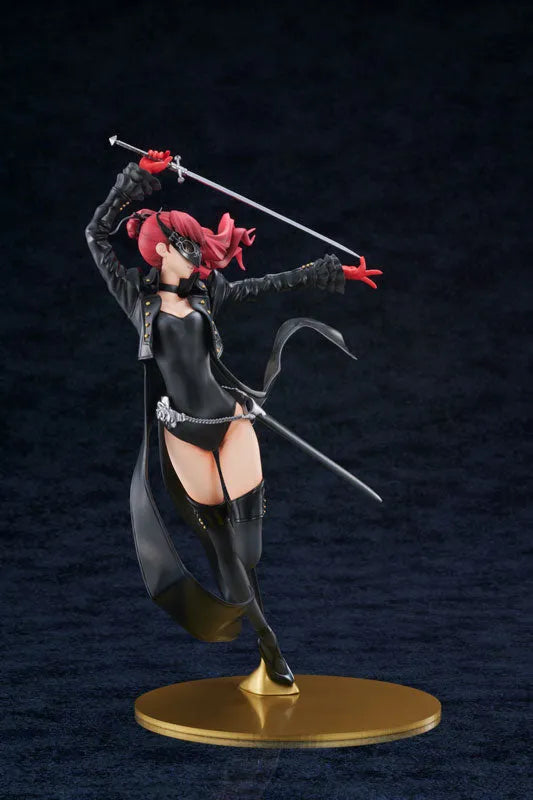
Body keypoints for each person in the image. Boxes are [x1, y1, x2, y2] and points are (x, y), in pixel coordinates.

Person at [85, 149, 382, 687]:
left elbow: (268, 284)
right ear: (162, 249)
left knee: (250, 551)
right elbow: (96, 235)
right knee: (225, 558)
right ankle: (269, 645)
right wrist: (135, 179)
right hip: (182, 433)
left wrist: (329, 271)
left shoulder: (208, 294)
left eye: (195, 243)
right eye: (185, 243)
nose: (195, 251)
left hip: (231, 420)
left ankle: (266, 639)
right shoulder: (137, 299)